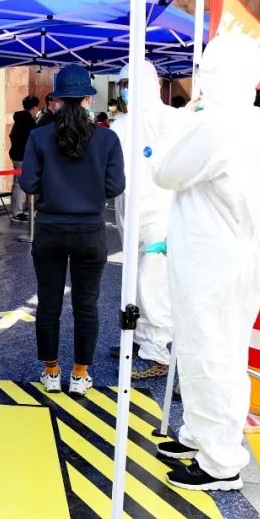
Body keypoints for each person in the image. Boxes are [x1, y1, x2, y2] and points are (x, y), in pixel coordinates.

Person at [151, 32, 260, 491]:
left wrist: (185, 121)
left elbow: (165, 171)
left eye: (207, 69)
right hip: (229, 256)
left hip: (209, 260)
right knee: (214, 352)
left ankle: (219, 462)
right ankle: (200, 436)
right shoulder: (257, 121)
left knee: (209, 355)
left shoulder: (217, 125)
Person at [19, 65, 124, 396]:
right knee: (86, 305)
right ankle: (80, 375)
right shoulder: (107, 138)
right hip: (90, 231)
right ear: (88, 99)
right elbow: (115, 186)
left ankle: (51, 371)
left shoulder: (38, 137)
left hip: (49, 229)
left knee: (48, 303)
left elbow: (28, 183)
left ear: (57, 100)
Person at [110, 61, 175, 378]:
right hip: (130, 212)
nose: (126, 92)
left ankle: (158, 350)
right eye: (123, 86)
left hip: (159, 215)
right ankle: (137, 338)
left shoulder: (170, 120)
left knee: (153, 281)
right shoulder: (121, 125)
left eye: (129, 84)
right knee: (133, 280)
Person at [9, 96, 39, 221]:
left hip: (16, 155)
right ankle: (17, 212)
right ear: (34, 108)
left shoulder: (19, 119)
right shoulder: (29, 122)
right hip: (23, 156)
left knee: (17, 183)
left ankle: (17, 211)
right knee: (19, 184)